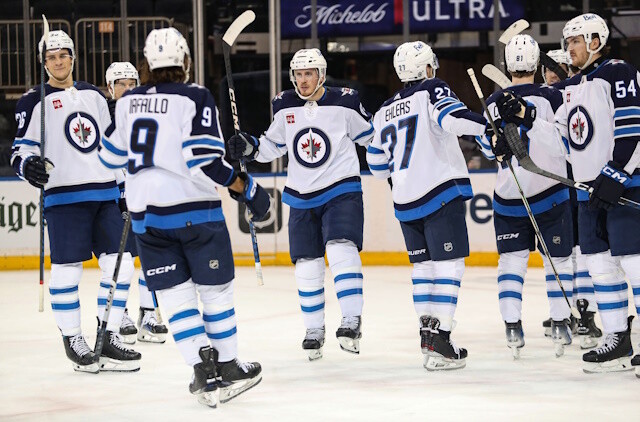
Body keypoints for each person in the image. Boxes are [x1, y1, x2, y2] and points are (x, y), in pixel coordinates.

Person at [99, 28, 267, 406]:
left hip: (148, 221)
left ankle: (200, 370)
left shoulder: (127, 102)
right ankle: (227, 365)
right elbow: (206, 160)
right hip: (195, 213)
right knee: (215, 292)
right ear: (186, 61)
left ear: (147, 64)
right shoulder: (195, 96)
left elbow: (108, 158)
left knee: (175, 298)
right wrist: (246, 188)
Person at [503, 13, 640, 373]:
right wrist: (524, 114)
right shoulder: (574, 86)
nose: (569, 48)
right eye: (568, 42)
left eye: (575, 41)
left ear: (595, 40)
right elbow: (561, 137)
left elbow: (632, 126)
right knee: (600, 266)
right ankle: (617, 339)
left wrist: (617, 173)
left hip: (623, 184)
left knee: (635, 264)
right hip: (588, 193)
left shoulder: (618, 72)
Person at [227, 48, 374, 361]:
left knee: (339, 248)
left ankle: (351, 319)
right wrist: (250, 147)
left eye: (308, 74)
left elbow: (370, 137)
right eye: (298, 74)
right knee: (307, 264)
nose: (303, 80)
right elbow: (271, 146)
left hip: (341, 189)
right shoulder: (283, 104)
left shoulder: (346, 100)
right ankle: (313, 329)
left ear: (320, 74)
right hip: (301, 194)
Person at [10, 30, 140, 372]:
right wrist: (28, 166)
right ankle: (73, 338)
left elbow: (114, 146)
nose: (58, 61)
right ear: (43, 62)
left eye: (63, 54)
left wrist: (125, 188)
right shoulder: (31, 101)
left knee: (122, 264)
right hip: (64, 198)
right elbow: (20, 153)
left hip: (105, 193)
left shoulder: (93, 96)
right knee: (67, 271)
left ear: (73, 57)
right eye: (51, 57)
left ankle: (106, 335)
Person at [368, 41, 486, 370]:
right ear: (429, 68)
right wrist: (487, 127)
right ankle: (442, 338)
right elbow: (452, 118)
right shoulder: (433, 89)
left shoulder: (383, 110)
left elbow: (377, 165)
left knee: (423, 268)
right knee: (449, 265)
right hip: (438, 192)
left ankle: (428, 335)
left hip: (405, 200)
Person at [477, 35, 579, 358]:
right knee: (559, 260)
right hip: (550, 194)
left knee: (511, 262)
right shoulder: (553, 97)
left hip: (508, 197)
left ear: (507, 65)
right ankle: (561, 323)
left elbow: (485, 145)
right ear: (537, 64)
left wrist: (495, 146)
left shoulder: (493, 103)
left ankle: (512, 326)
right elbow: (566, 144)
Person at [540, 50, 602, 348]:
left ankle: (586, 312)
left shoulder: (581, 90)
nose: (552, 74)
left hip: (581, 181)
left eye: (558, 68)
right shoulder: (548, 94)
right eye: (548, 69)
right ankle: (564, 312)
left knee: (583, 251)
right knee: (565, 254)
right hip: (555, 184)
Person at [105, 61, 169, 344]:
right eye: (121, 84)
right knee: (123, 260)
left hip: (146, 196)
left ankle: (148, 313)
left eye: (132, 84)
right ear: (110, 88)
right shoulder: (102, 117)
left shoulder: (147, 115)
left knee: (150, 257)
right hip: (116, 196)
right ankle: (123, 314)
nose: (128, 89)